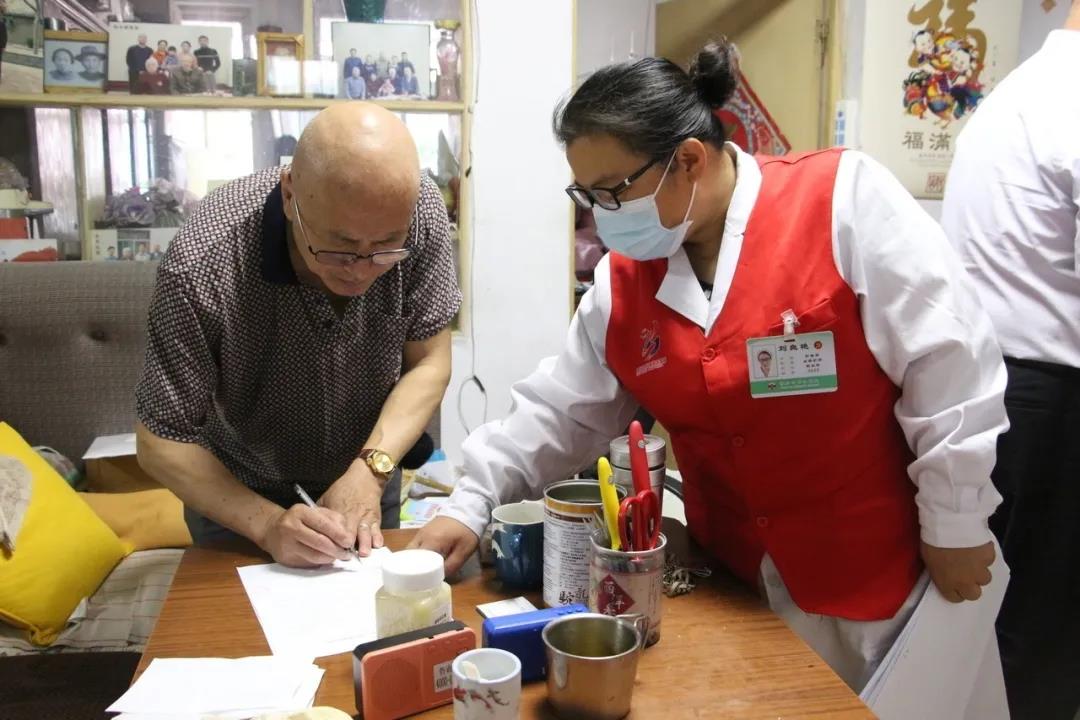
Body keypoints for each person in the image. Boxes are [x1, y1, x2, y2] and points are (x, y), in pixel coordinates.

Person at [412, 40, 1009, 710]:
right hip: (741, 584)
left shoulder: (843, 200)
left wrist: (956, 522)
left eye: (613, 192)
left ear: (690, 160)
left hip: (888, 579)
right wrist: (471, 500)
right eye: (586, 195)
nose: (602, 215)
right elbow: (561, 411)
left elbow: (950, 359)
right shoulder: (622, 284)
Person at [135, 104, 461, 568]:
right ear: (290, 194)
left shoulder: (420, 213)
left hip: (365, 472)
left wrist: (370, 471)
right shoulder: (202, 262)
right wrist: (267, 524)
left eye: (385, 248)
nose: (361, 271)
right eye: (340, 247)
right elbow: (160, 438)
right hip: (237, 496)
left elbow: (430, 361)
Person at [941, 4, 1080, 718]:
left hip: (990, 385)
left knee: (998, 624)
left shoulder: (1018, 94)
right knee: (1045, 631)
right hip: (1054, 400)